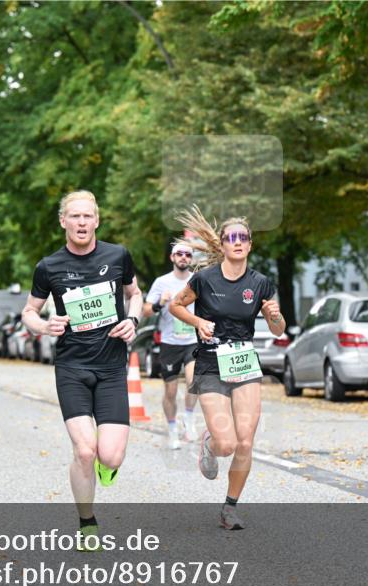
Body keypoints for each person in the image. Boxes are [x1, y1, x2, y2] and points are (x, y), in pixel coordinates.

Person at [22, 190, 141, 548]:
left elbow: (136, 293)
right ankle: (87, 522)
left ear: (97, 220)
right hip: (72, 366)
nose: (81, 223)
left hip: (111, 367)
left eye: (87, 216)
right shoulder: (49, 267)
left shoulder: (118, 256)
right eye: (74, 216)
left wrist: (133, 318)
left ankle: (107, 463)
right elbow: (29, 311)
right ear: (63, 222)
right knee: (84, 450)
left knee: (110, 455)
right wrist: (44, 325)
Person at [169, 206, 285, 530]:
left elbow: (278, 329)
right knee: (227, 444)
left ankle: (230, 508)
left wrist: (274, 316)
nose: (237, 242)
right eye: (231, 237)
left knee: (245, 442)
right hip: (210, 361)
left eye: (243, 237)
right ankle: (209, 442)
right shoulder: (204, 279)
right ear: (222, 244)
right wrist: (197, 320)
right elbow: (176, 304)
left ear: (249, 245)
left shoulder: (261, 283)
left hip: (244, 361)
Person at [143, 241, 199, 449]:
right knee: (170, 391)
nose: (183, 257)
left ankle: (190, 418)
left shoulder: (197, 280)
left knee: (194, 380)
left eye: (187, 254)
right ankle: (173, 429)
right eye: (179, 254)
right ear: (172, 258)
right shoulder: (161, 282)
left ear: (191, 259)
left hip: (192, 340)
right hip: (169, 342)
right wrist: (159, 303)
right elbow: (146, 310)